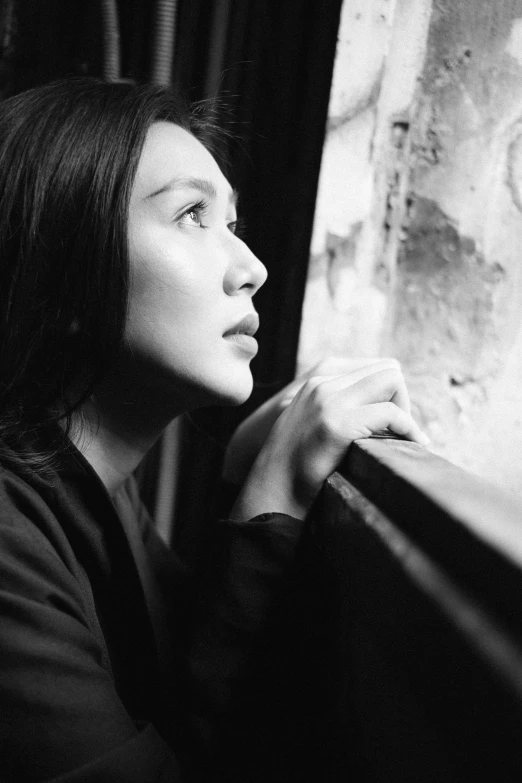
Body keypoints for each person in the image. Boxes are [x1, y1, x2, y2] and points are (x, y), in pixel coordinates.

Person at [0, 78, 428, 782]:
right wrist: (271, 504)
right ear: (62, 274)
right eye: (192, 214)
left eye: (231, 222)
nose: (252, 268)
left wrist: (240, 478)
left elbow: (173, 689)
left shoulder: (98, 496)